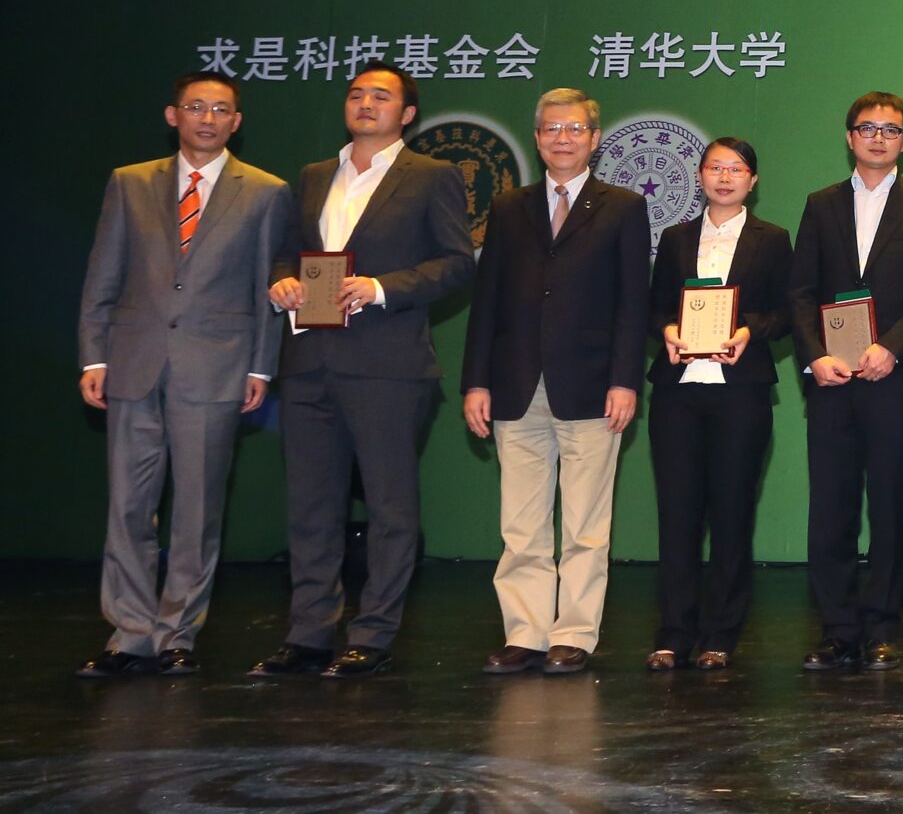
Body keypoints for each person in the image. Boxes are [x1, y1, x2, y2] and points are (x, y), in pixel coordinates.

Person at [254, 63, 475, 679]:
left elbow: (457, 262)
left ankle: (373, 634)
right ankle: (309, 634)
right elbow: (285, 253)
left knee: (389, 507)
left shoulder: (431, 175)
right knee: (310, 506)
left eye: (381, 96)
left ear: (408, 114)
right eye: (356, 94)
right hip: (308, 362)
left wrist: (379, 288)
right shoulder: (313, 176)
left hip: (387, 365)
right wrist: (282, 282)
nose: (366, 104)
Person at [74, 71, 294, 678]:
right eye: (196, 107)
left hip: (217, 367)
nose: (207, 118)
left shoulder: (266, 192)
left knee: (197, 511)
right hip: (132, 364)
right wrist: (94, 357)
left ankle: (177, 634)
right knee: (128, 507)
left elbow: (267, 285)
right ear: (173, 115)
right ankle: (129, 633)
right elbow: (103, 274)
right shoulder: (129, 182)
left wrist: (260, 365)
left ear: (236, 123)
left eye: (220, 110)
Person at [461, 88, 649, 677]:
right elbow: (487, 299)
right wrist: (476, 382)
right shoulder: (509, 206)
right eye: (550, 129)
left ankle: (574, 634)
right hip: (515, 383)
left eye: (573, 129)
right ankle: (525, 632)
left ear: (595, 138)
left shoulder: (623, 207)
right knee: (521, 523)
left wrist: (625, 379)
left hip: (593, 385)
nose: (561, 139)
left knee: (586, 526)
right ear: (537, 137)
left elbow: (633, 302)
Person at [790, 92, 903, 672]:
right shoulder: (820, 205)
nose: (878, 138)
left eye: (891, 130)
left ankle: (881, 625)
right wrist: (815, 357)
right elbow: (799, 292)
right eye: (867, 128)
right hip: (832, 380)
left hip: (891, 379)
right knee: (830, 509)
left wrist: (892, 348)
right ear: (849, 137)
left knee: (887, 508)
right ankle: (837, 629)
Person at [643, 137, 792, 672]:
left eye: (736, 169)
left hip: (740, 392)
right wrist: (667, 330)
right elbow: (655, 306)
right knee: (677, 514)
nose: (725, 178)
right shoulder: (676, 237)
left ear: (753, 181)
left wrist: (750, 329)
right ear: (700, 176)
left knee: (731, 513)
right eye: (714, 168)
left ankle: (721, 634)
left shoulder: (772, 239)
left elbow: (786, 311)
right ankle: (673, 633)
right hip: (678, 392)